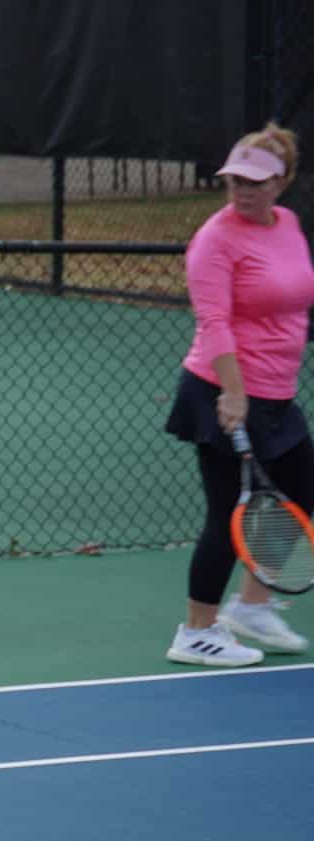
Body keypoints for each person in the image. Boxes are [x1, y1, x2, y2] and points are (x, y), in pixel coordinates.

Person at [163, 123, 314, 667]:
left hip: (276, 393)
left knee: (301, 495)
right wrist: (231, 393)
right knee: (227, 515)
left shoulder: (288, 224)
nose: (242, 190)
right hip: (221, 390)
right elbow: (214, 322)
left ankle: (252, 607)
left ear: (281, 183)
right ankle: (196, 631)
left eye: (255, 181)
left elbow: (294, 301)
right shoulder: (215, 239)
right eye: (234, 180)